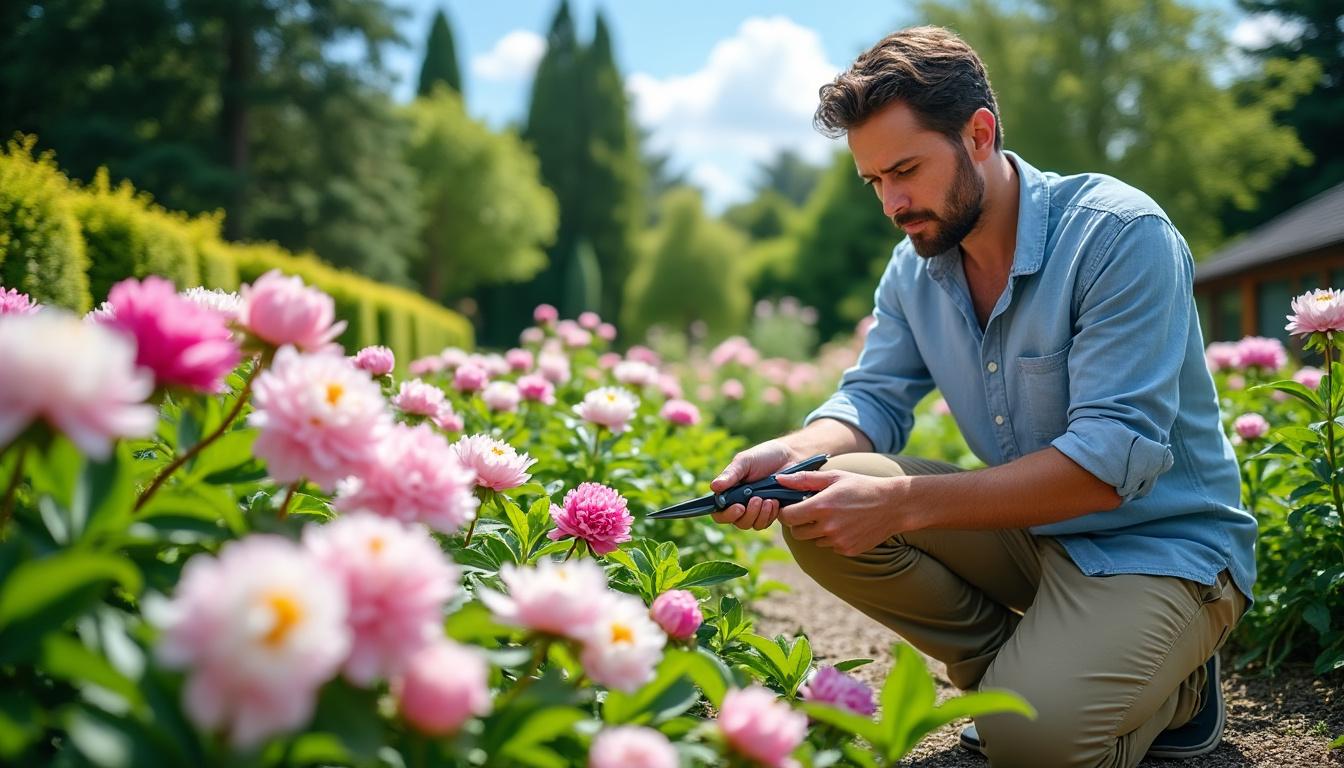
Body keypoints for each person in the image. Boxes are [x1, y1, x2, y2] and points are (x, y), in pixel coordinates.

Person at [710, 25, 1254, 768]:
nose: (893, 203)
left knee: (1031, 743)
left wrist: (902, 506)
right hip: (1036, 532)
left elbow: (1103, 468)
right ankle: (1029, 679)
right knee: (816, 506)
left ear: (978, 134)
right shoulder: (915, 270)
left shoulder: (1117, 236)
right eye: (875, 181)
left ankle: (1175, 688)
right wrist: (792, 453)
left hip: (1161, 548)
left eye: (905, 169)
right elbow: (870, 400)